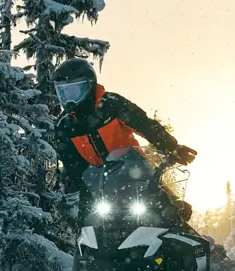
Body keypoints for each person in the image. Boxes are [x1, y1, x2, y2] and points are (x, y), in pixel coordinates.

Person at [50, 58, 197, 224]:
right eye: (63, 93)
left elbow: (145, 125)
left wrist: (172, 147)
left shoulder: (112, 105)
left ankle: (185, 235)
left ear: (89, 86)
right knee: (87, 225)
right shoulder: (64, 126)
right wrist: (85, 189)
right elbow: (74, 166)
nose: (69, 100)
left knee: (170, 212)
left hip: (135, 174)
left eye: (74, 92)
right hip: (98, 186)